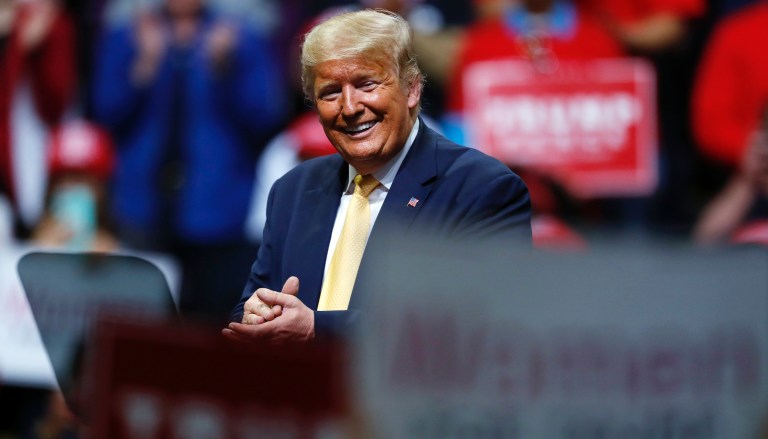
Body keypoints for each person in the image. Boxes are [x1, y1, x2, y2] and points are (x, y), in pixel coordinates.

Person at [222, 9, 532, 344]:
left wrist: (317, 329)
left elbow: (477, 325)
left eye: (366, 84)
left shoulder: (482, 189)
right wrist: (255, 315)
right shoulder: (293, 190)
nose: (350, 106)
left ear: (412, 90)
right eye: (330, 92)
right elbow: (248, 310)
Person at [91, 0, 287, 323]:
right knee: (139, 321)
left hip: (216, 213)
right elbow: (104, 114)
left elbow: (266, 118)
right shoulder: (132, 33)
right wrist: (144, 65)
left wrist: (227, 69)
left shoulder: (238, 36)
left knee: (205, 325)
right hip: (141, 208)